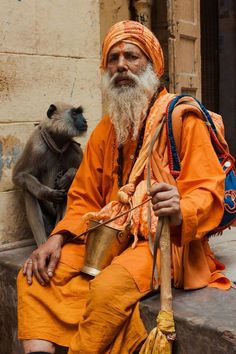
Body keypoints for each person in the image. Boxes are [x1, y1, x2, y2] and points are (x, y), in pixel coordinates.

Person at [17, 20, 231, 354]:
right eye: (113, 59)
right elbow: (83, 196)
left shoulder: (182, 118)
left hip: (163, 241)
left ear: (152, 66)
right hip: (109, 233)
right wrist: (56, 238)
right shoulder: (107, 128)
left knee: (107, 289)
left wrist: (180, 207)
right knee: (35, 277)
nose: (121, 66)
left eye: (131, 56)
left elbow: (208, 190)